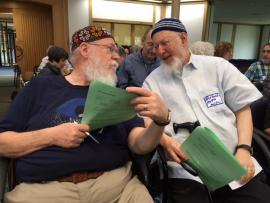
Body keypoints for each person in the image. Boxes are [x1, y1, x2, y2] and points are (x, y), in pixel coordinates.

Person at [0, 25, 170, 203]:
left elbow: (139, 145)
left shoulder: (116, 95)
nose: (117, 57)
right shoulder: (40, 88)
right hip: (45, 192)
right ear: (85, 49)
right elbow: (3, 143)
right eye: (110, 49)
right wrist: (51, 136)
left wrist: (160, 122)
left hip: (117, 187)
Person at [143, 18, 270, 203]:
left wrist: (244, 149)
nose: (159, 51)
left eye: (165, 43)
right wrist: (164, 141)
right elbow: (148, 122)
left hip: (233, 162)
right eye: (155, 46)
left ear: (184, 38)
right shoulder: (152, 82)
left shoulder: (218, 67)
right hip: (186, 172)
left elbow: (243, 110)